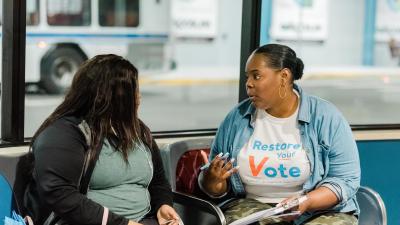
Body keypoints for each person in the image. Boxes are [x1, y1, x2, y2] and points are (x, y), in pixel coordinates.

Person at [199, 44, 360, 225]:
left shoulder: (326, 117)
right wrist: (214, 182)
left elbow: (345, 180)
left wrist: (307, 201)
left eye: (256, 76)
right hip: (254, 208)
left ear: (284, 76)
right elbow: (216, 188)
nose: (248, 83)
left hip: (317, 210)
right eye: (247, 77)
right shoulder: (236, 119)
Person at [22, 54, 180, 225]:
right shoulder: (65, 133)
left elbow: (158, 179)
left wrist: (163, 204)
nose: (138, 98)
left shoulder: (138, 130)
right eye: (132, 91)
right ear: (111, 97)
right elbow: (60, 194)